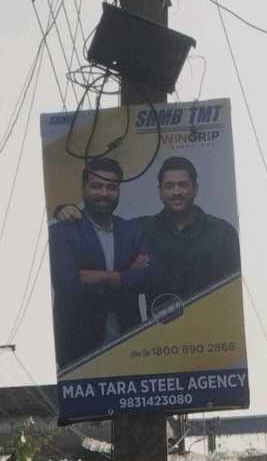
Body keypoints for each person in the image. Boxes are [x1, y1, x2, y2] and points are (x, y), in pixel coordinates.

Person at [48, 156, 155, 369]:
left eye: (111, 187)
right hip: (78, 347)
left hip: (129, 343)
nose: (104, 193)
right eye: (96, 186)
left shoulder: (132, 231)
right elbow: (66, 284)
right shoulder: (61, 232)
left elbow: (148, 276)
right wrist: (124, 277)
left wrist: (92, 277)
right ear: (83, 188)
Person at [141, 155, 241, 303]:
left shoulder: (223, 233)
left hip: (211, 317)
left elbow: (234, 291)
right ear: (160, 191)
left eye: (183, 185)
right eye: (169, 186)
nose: (176, 192)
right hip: (161, 318)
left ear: (195, 189)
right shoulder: (142, 231)